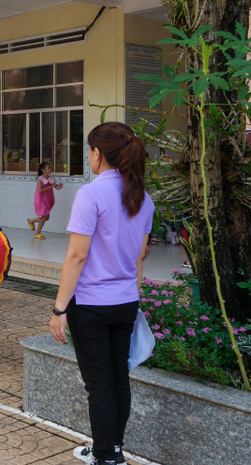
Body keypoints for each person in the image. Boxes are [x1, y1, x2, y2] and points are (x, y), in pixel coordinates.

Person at [49, 122, 154, 465]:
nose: (89, 157)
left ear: (98, 154)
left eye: (90, 151)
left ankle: (106, 456)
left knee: (99, 385)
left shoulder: (91, 194)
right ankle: (113, 448)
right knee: (117, 378)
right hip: (125, 303)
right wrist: (133, 295)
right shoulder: (142, 197)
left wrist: (59, 308)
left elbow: (77, 256)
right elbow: (140, 257)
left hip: (91, 306)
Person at [27, 161, 63, 239]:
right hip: (40, 200)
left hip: (48, 200)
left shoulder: (51, 179)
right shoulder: (40, 179)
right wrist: (51, 186)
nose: (50, 169)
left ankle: (31, 221)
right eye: (48, 168)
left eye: (50, 168)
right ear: (43, 169)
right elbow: (40, 190)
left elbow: (56, 187)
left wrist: (59, 186)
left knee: (46, 217)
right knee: (44, 217)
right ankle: (37, 233)